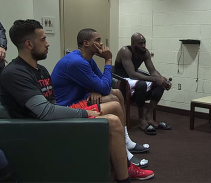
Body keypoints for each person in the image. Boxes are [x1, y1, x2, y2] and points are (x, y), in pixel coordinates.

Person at [0, 19, 154, 182]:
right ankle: (125, 171)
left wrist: (90, 96)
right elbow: (45, 111)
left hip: (48, 121)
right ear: (29, 44)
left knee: (114, 114)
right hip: (36, 130)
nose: (48, 44)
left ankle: (124, 168)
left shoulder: (41, 70)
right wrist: (85, 113)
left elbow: (54, 103)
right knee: (113, 120)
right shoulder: (15, 73)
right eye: (43, 39)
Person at [51, 28, 150, 168]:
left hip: (80, 98)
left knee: (116, 93)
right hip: (66, 106)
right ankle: (123, 151)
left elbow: (104, 83)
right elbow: (103, 86)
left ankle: (125, 141)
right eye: (97, 40)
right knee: (112, 100)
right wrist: (108, 60)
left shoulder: (87, 60)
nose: (102, 44)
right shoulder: (76, 61)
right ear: (86, 43)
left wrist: (95, 88)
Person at [114, 32, 172, 135]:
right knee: (142, 84)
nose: (144, 45)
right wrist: (155, 79)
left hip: (134, 80)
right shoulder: (125, 51)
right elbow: (132, 74)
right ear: (133, 44)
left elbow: (153, 71)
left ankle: (148, 116)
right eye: (140, 43)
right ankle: (141, 119)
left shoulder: (145, 52)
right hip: (121, 81)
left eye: (144, 43)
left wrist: (161, 79)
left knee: (160, 84)